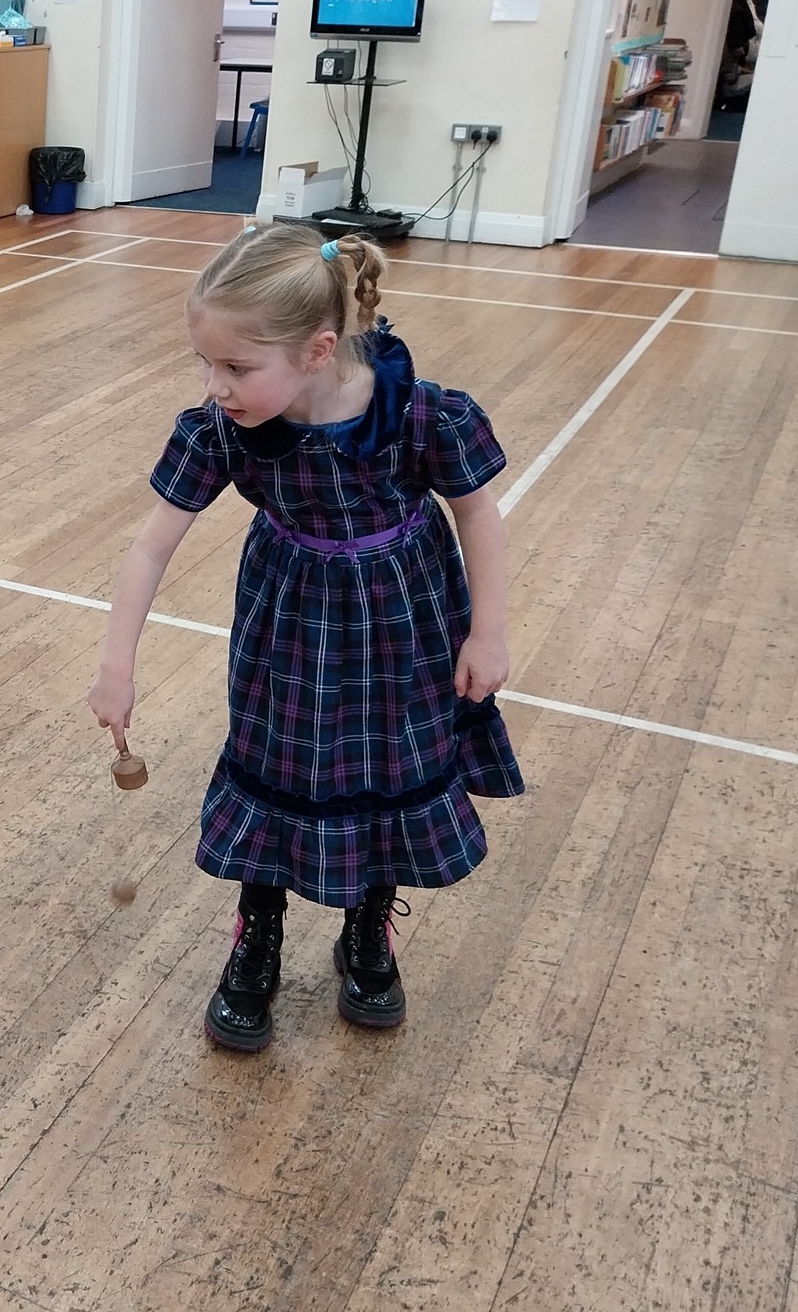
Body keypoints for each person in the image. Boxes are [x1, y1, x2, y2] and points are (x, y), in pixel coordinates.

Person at [87, 226, 522, 1053]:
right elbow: (149, 547)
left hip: (406, 621)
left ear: (320, 349)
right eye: (205, 363)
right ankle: (257, 931)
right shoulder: (224, 430)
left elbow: (477, 513)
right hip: (287, 623)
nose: (216, 386)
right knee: (279, 764)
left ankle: (368, 927)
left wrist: (488, 634)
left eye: (236, 366)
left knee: (386, 766)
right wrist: (117, 665)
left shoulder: (421, 415)